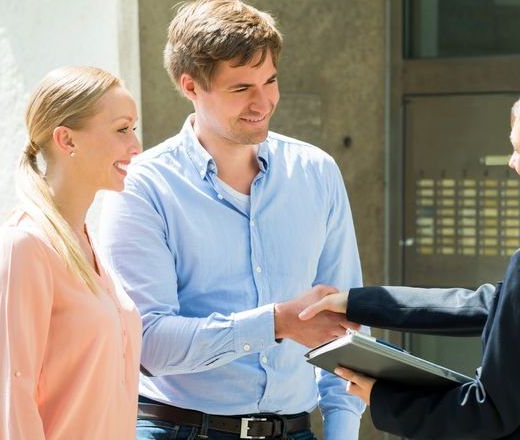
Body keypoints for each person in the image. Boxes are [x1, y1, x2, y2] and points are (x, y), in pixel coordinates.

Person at [300, 77, 520, 439]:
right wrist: (354, 303)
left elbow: (487, 413)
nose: (512, 162)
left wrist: (382, 397)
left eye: (517, 148)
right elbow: (481, 305)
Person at [97, 1, 365, 439]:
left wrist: (341, 431)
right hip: (179, 430)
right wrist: (275, 323)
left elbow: (346, 324)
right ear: (191, 86)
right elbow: (146, 342)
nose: (263, 102)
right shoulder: (143, 186)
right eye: (241, 88)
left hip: (296, 430)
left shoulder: (316, 173)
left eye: (271, 80)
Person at [0, 66, 143, 439]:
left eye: (134, 128)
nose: (136, 146)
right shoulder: (24, 246)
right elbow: (9, 407)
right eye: (122, 129)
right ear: (67, 140)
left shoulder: (88, 242)